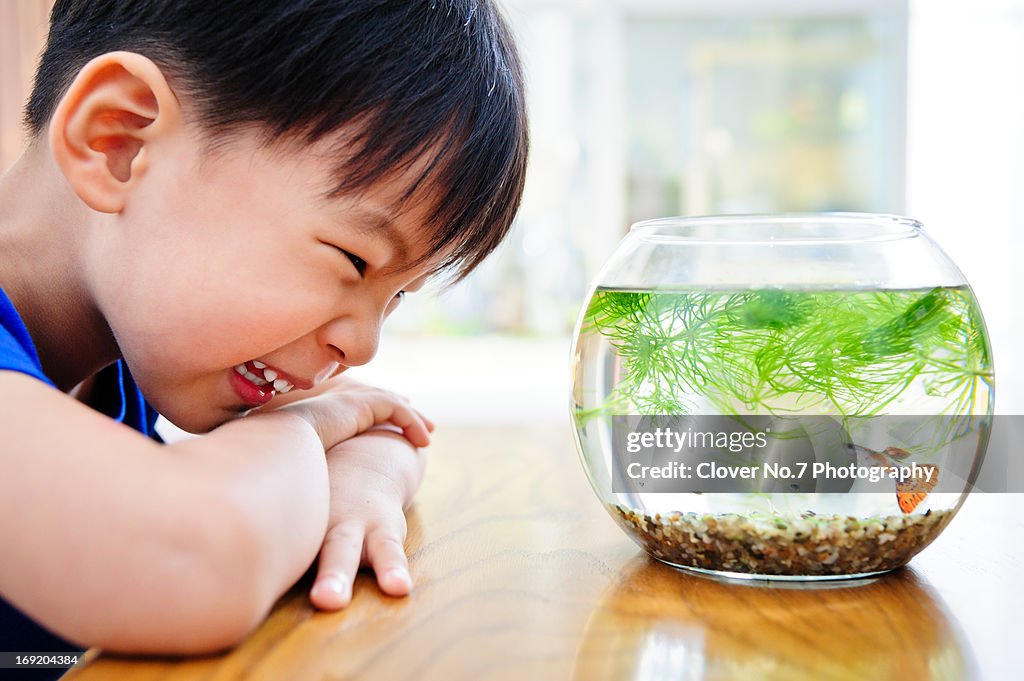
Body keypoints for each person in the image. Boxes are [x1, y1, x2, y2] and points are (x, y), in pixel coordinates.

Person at [0, 0, 527, 668]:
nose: (362, 346)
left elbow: (380, 424)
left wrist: (365, 468)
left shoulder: (121, 355)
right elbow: (197, 560)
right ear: (120, 141)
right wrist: (301, 433)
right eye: (353, 259)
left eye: (393, 299)